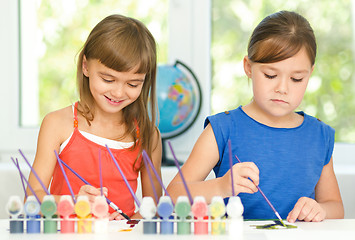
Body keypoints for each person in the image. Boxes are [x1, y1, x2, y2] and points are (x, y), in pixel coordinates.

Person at [167, 10, 344, 222]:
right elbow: (172, 196)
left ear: (310, 73)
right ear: (248, 67)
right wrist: (221, 186)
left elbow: (335, 207)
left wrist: (321, 210)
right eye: (270, 75)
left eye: (296, 79)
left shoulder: (319, 135)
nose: (282, 88)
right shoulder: (222, 129)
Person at [26, 14, 162, 220]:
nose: (118, 92)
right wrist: (71, 203)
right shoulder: (57, 124)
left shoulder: (148, 135)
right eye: (108, 79)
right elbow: (32, 199)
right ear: (86, 66)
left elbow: (155, 208)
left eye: (133, 84)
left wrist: (135, 219)